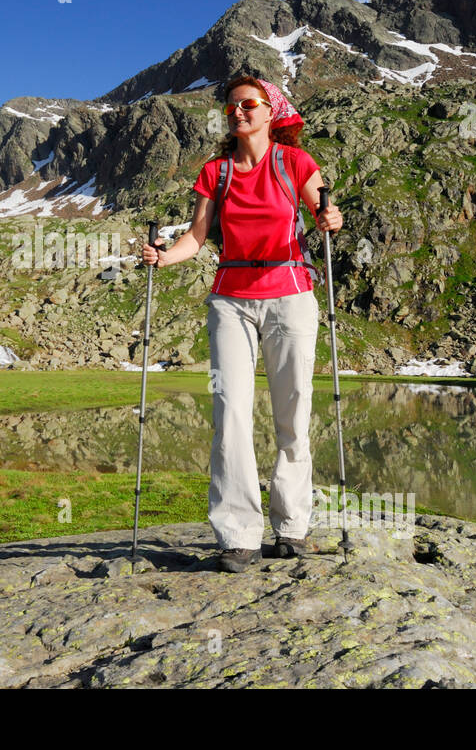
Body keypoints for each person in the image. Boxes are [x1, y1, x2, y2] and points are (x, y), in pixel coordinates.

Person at [141, 75, 342, 572]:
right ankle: (238, 535)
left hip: (291, 295)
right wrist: (163, 258)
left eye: (247, 104)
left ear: (270, 110)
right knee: (230, 409)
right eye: (230, 106)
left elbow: (324, 211)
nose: (237, 112)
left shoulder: (296, 162)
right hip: (230, 300)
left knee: (292, 412)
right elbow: (196, 236)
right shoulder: (215, 172)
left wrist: (330, 220)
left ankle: (292, 528)